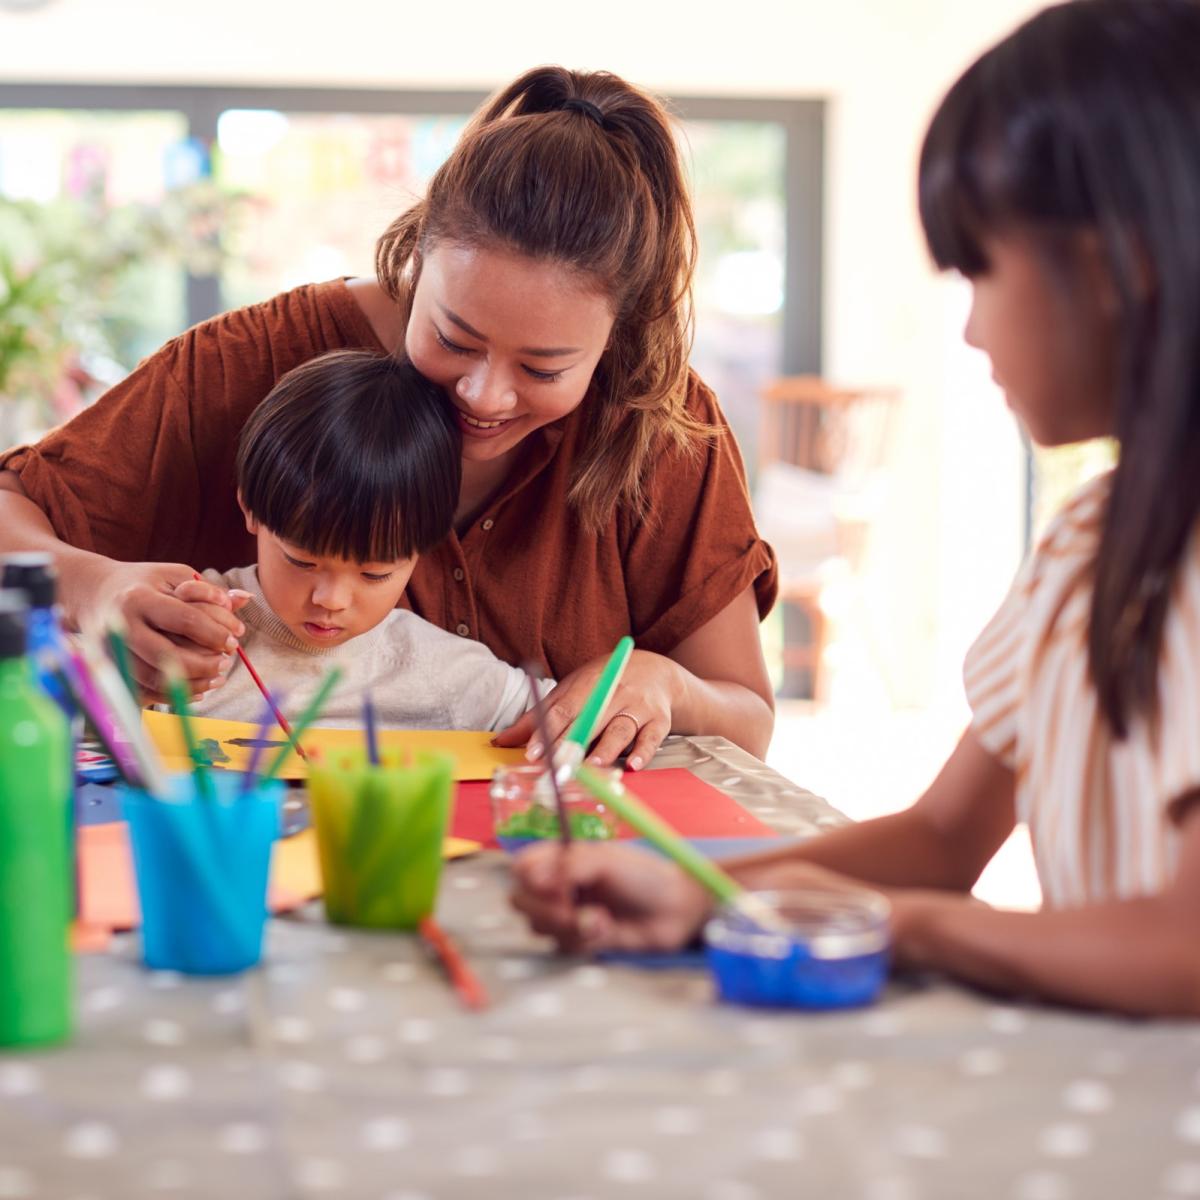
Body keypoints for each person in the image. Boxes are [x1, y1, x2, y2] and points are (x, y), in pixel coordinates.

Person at [511, 0, 1200, 1017]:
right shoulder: (1088, 546)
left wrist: (892, 923)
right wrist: (702, 892)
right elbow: (940, 839)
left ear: (1115, 268)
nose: (968, 332)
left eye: (981, 270)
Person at [0, 67, 777, 769]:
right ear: (418, 251)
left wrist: (666, 684)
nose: (485, 395)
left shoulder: (661, 426)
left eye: (543, 369)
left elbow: (747, 717)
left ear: (618, 334)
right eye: (453, 338)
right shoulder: (243, 364)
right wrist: (93, 587)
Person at [178, 349, 542, 729]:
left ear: (422, 550)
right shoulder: (192, 628)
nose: (331, 600)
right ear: (250, 509)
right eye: (302, 561)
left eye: (374, 574)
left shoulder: (435, 669)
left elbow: (569, 722)